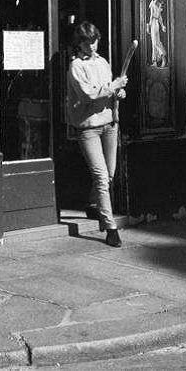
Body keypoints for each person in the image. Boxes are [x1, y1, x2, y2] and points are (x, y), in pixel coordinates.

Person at [66, 22, 128, 248]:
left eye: (94, 40)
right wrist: (114, 86)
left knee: (109, 175)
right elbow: (87, 95)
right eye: (86, 42)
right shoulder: (76, 67)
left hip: (110, 124)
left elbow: (109, 91)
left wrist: (118, 91)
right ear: (79, 43)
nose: (91, 45)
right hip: (89, 127)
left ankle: (94, 205)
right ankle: (110, 227)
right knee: (101, 177)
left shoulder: (103, 62)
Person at [147, 0, 167, 67]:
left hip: (153, 24)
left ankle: (161, 59)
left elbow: (152, 16)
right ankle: (156, 61)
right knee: (157, 42)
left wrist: (149, 25)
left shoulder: (152, 3)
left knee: (155, 43)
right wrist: (162, 26)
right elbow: (160, 17)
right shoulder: (159, 3)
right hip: (157, 24)